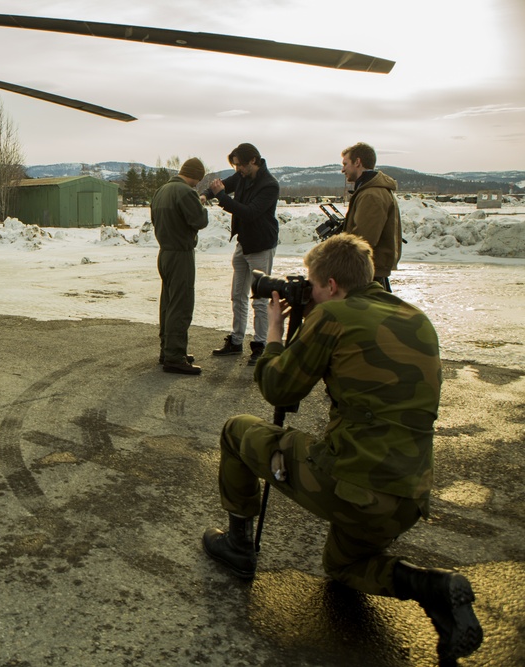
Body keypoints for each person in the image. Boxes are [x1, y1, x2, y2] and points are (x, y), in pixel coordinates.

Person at [200, 234, 482, 663]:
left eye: (312, 286)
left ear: (331, 286)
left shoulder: (333, 318)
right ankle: (433, 588)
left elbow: (279, 389)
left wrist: (276, 331)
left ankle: (238, 546)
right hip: (408, 495)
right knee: (343, 567)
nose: (308, 293)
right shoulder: (416, 318)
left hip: (354, 486)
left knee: (237, 431)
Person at [206, 143, 280, 365]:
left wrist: (221, 197)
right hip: (243, 243)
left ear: (253, 161)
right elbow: (220, 186)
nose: (237, 169)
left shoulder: (270, 185)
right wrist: (204, 194)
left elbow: (249, 213)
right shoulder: (241, 177)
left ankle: (260, 346)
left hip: (261, 246)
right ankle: (236, 341)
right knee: (237, 295)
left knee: (259, 299)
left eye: (240, 165)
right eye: (235, 165)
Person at [151, 158, 209, 375]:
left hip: (164, 252)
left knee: (167, 303)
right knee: (181, 304)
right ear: (197, 176)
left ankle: (167, 350)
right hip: (181, 254)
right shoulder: (186, 192)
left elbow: (155, 220)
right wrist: (202, 206)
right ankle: (175, 357)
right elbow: (199, 221)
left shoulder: (161, 191)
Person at [340, 142, 402, 292]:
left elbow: (364, 240)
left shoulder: (371, 194)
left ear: (357, 162)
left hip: (368, 270)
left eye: (345, 164)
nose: (343, 170)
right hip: (370, 268)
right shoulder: (369, 190)